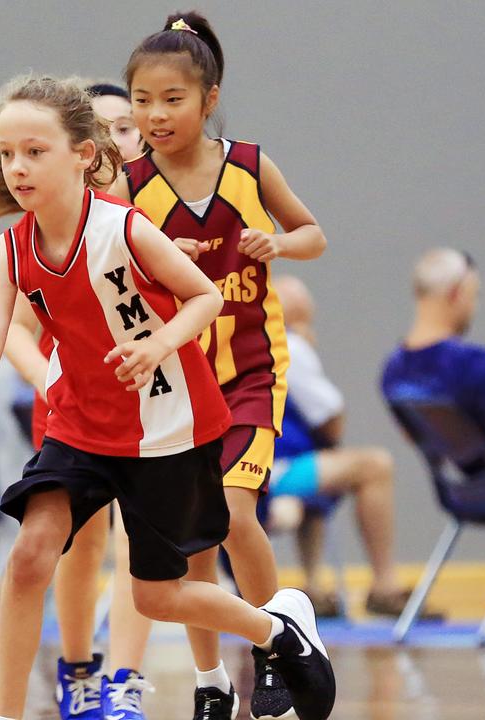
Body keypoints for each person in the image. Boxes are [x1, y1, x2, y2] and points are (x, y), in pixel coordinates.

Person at [0, 72, 334, 720]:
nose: (17, 167)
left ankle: (277, 631)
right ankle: (7, 715)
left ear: (84, 155)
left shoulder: (125, 229)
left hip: (168, 429)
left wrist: (157, 344)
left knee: (158, 598)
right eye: (7, 154)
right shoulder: (10, 251)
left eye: (34, 151)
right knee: (31, 554)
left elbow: (205, 296)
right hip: (81, 427)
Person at [114, 13, 327, 719]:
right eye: (141, 99)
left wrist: (277, 244)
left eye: (172, 98)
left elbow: (313, 234)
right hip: (176, 390)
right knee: (194, 544)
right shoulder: (129, 185)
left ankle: (277, 647)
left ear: (209, 98)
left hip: (250, 375)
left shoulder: (248, 165)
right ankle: (211, 682)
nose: (154, 113)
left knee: (236, 515)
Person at [1, 81, 156, 720]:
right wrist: (48, 379)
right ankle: (79, 669)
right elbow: (12, 329)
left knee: (138, 545)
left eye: (126, 126)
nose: (118, 137)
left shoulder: (150, 220)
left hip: (149, 403)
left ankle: (125, 681)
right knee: (78, 542)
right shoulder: (39, 228)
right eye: (105, 127)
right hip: (69, 403)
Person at [268, 275, 410, 618]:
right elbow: (330, 417)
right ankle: (384, 586)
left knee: (319, 473)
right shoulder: (289, 347)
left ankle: (312, 585)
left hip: (257, 467)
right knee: (374, 465)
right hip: (274, 472)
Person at [382, 248, 485, 490]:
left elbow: (419, 435)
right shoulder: (474, 362)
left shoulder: (394, 373)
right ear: (456, 294)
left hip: (463, 489)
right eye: (474, 295)